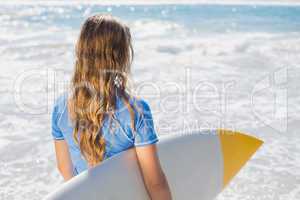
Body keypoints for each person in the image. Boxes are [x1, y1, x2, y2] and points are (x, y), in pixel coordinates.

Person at [51, 14, 172, 200]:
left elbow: (64, 168)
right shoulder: (135, 111)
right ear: (121, 57)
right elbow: (154, 181)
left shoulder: (60, 106)